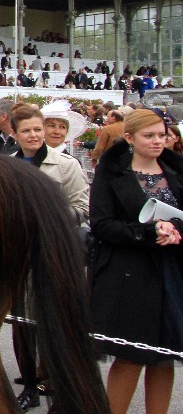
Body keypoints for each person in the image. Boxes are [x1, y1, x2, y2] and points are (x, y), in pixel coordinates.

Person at [90, 109, 183, 414]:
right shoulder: (111, 171)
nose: (158, 141)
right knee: (130, 354)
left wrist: (176, 230)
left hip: (173, 272)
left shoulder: (176, 168)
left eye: (162, 135)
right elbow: (102, 224)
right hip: (127, 272)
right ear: (129, 138)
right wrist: (149, 230)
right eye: (150, 136)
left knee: (164, 355)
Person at [8, 102, 91, 408]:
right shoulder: (9, 163)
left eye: (38, 129)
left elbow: (82, 209)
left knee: (53, 325)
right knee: (22, 326)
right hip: (20, 255)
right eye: (27, 130)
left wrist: (43, 216)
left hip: (54, 255)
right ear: (15, 134)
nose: (35, 135)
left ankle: (56, 384)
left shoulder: (66, 165)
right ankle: (29, 383)